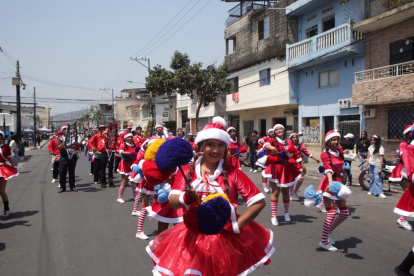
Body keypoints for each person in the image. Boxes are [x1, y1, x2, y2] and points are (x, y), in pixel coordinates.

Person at [147, 116, 274, 276]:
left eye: (221, 145)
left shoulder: (234, 174)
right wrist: (184, 198)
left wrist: (236, 226)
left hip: (222, 240)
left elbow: (258, 202)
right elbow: (173, 202)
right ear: (201, 145)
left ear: (226, 148)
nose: (216, 150)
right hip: (190, 238)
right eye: (211, 145)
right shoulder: (186, 171)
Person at [263, 124, 305, 225]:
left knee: (286, 191)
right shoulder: (273, 140)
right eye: (276, 129)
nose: (279, 130)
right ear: (274, 132)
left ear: (284, 130)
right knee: (276, 192)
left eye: (280, 128)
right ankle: (274, 216)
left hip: (286, 168)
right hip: (275, 168)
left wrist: (303, 166)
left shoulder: (289, 141)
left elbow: (296, 154)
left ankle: (286, 213)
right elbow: (265, 145)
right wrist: (272, 148)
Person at [317, 130, 350, 251]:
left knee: (345, 213)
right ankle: (323, 241)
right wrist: (331, 183)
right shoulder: (325, 154)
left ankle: (328, 231)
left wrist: (343, 175)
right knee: (330, 213)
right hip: (330, 183)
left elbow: (340, 166)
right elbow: (328, 169)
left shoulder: (339, 151)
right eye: (333, 139)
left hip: (339, 183)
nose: (336, 141)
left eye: (337, 139)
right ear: (328, 141)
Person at [394, 126, 414, 232]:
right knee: (409, 194)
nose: (411, 134)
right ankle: (402, 218)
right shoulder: (404, 144)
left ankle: (402, 218)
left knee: (410, 196)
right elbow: (403, 155)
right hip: (405, 172)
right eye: (410, 132)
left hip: (409, 172)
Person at [289, 132, 320, 201]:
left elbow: (307, 153)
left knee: (301, 178)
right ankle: (290, 193)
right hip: (290, 163)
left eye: (296, 137)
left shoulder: (300, 146)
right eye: (293, 137)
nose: (295, 138)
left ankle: (295, 192)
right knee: (291, 179)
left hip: (298, 163)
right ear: (291, 139)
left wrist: (315, 158)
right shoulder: (288, 145)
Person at [0, 130, 18, 217]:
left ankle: (6, 208)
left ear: (2, 137)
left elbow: (10, 158)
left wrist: (14, 167)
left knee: (1, 191)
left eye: (0, 136)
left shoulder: (5, 147)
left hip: (3, 169)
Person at [57, 124, 80, 193]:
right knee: (62, 172)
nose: (66, 131)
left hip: (72, 156)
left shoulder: (73, 137)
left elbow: (75, 146)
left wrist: (68, 147)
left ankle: (72, 186)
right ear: (62, 131)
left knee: (72, 172)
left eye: (67, 129)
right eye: (64, 129)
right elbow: (59, 148)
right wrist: (63, 142)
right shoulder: (60, 138)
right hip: (64, 156)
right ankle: (62, 187)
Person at [116, 133, 138, 203]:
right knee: (125, 181)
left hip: (133, 164)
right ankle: (119, 197)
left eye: (131, 137)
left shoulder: (134, 145)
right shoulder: (123, 145)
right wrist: (130, 153)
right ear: (125, 139)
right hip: (125, 164)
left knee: (133, 180)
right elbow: (121, 152)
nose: (129, 139)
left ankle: (135, 196)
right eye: (128, 137)